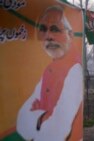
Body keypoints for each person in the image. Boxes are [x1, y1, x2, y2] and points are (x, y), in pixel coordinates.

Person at [16, 5, 83, 141]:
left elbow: (57, 131)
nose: (48, 36)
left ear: (70, 35)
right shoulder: (49, 69)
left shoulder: (75, 70)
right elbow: (21, 123)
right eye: (43, 29)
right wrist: (43, 116)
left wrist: (36, 117)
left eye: (55, 29)